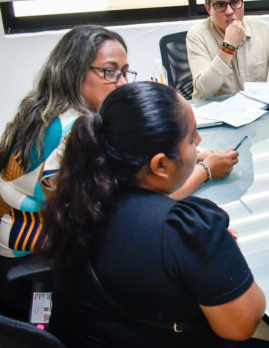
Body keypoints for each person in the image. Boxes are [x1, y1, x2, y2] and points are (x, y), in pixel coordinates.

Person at [44, 82, 269, 348]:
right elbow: (242, 324)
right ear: (160, 165)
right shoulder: (182, 229)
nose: (199, 143)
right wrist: (224, 256)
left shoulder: (79, 200)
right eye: (191, 138)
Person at [0, 26, 237, 260]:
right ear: (75, 72)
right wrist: (206, 171)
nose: (122, 83)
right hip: (32, 242)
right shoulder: (76, 131)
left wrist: (192, 155)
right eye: (110, 72)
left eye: (124, 72)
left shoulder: (45, 109)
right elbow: (132, 211)